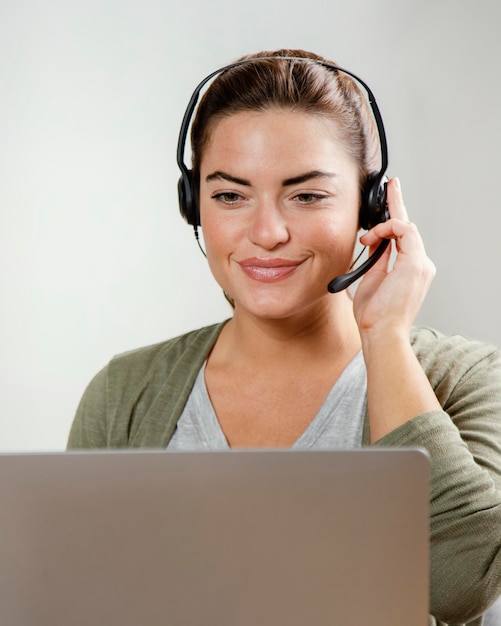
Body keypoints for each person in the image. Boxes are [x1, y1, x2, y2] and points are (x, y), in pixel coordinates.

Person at [67, 49, 501, 625]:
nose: (267, 233)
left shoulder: (466, 379)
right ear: (194, 206)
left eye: (307, 195)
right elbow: (69, 600)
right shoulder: (124, 392)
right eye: (229, 196)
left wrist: (387, 337)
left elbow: (459, 586)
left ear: (371, 209)